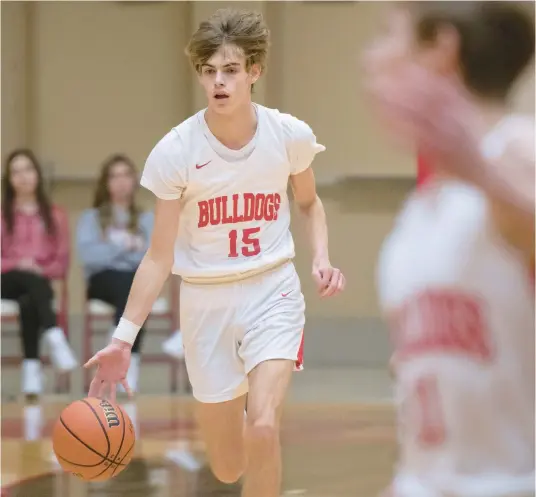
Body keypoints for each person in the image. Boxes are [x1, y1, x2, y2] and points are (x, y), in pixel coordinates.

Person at [84, 8, 345, 497]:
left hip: (273, 290)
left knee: (264, 426)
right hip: (205, 303)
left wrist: (321, 258)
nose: (218, 81)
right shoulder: (175, 151)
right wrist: (122, 340)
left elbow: (308, 203)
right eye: (208, 72)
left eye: (229, 70)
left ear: (254, 71)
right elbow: (159, 256)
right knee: (227, 468)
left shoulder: (289, 135)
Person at [364, 2, 534, 497]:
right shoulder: (422, 211)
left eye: (385, 35)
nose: (370, 59)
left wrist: (482, 174)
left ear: (441, 47)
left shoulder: (518, 149)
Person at [1, 149, 78, 398]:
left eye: (28, 169)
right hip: (6, 279)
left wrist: (38, 268)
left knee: (31, 296)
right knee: (32, 282)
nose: (22, 176)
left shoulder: (55, 215)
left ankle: (31, 373)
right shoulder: (3, 215)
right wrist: (19, 264)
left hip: (37, 284)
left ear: (37, 174)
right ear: (9, 179)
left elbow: (61, 263)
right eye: (16, 171)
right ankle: (55, 337)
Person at [76, 154, 154, 393]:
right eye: (114, 176)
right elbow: (90, 256)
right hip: (102, 281)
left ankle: (121, 356)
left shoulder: (146, 219)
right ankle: (121, 358)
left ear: (134, 180)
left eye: (125, 175)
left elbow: (151, 257)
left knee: (136, 287)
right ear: (105, 182)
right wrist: (125, 246)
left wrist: (110, 249)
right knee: (133, 289)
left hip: (134, 281)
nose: (120, 181)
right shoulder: (91, 218)